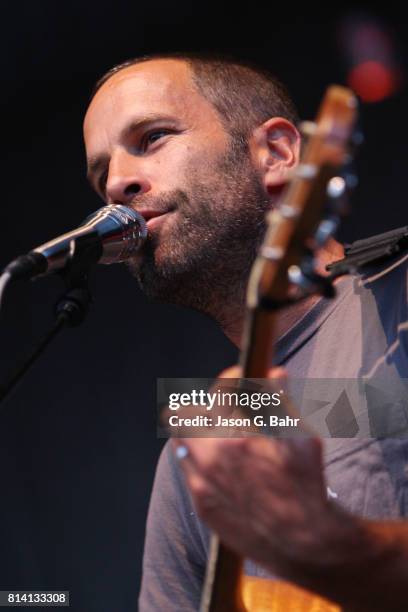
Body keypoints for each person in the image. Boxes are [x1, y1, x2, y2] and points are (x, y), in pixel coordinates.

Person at [83, 53, 408, 611]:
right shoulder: (203, 456)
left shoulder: (397, 307)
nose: (116, 183)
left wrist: (336, 549)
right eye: (100, 174)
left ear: (278, 154)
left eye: (153, 137)